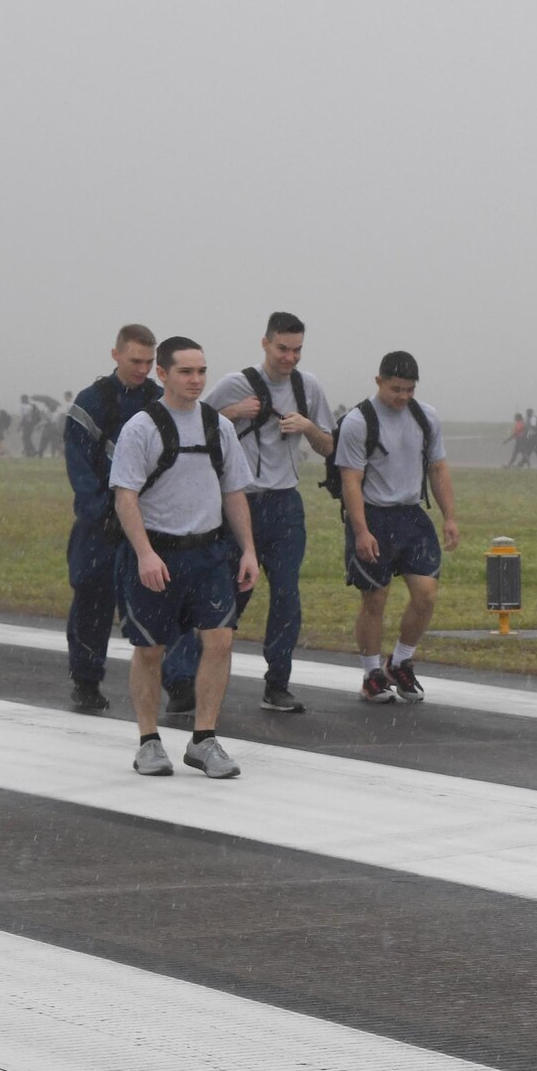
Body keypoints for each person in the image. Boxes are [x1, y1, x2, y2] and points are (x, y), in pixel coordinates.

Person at [108, 337, 259, 778]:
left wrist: (247, 549)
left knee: (220, 641)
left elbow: (233, 492)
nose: (195, 380)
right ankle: (149, 741)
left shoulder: (219, 426)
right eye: (185, 372)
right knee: (150, 650)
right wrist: (145, 554)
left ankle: (204, 739)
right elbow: (125, 498)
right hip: (157, 552)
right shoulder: (141, 427)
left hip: (210, 553)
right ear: (163, 374)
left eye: (201, 372)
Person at [63, 325, 201, 715]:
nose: (142, 369)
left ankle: (179, 683)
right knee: (92, 601)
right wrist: (102, 513)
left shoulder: (160, 402)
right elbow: (79, 467)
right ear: (116, 355)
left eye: (148, 362)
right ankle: (87, 682)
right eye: (135, 360)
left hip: (149, 524)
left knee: (165, 601)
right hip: (99, 529)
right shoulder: (90, 403)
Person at [204, 312, 335, 713]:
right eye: (282, 349)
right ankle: (194, 677)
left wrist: (308, 427)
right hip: (240, 502)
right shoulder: (234, 384)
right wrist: (233, 412)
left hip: (285, 504)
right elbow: (194, 426)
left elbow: (330, 447)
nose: (289, 358)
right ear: (265, 343)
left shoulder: (307, 386)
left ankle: (277, 683)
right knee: (230, 594)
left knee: (286, 595)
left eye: (297, 350)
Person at [332, 351, 459, 703]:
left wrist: (449, 516)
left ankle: (400, 662)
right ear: (379, 381)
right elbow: (351, 481)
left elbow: (438, 469)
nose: (403, 397)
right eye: (396, 389)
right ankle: (371, 673)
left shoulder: (425, 417)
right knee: (375, 598)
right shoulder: (359, 421)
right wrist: (361, 531)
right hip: (373, 515)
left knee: (426, 595)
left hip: (412, 515)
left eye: (409, 390)